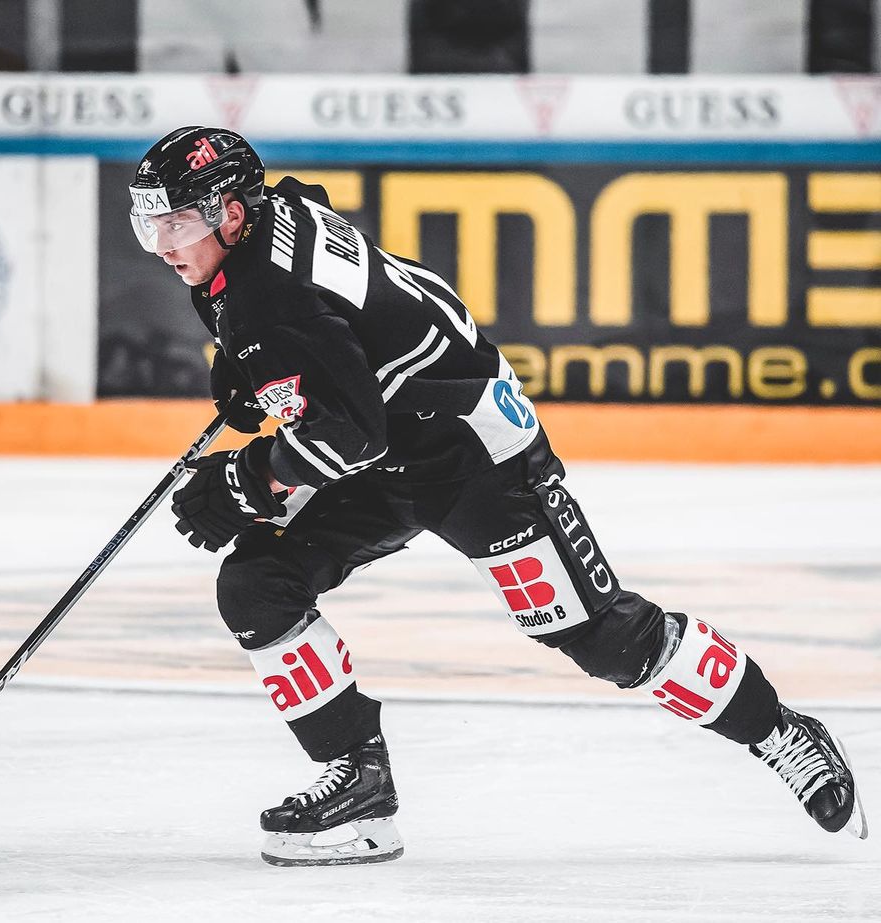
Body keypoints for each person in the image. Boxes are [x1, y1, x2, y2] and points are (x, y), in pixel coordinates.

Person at [128, 126, 868, 866]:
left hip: (473, 456)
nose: (163, 245)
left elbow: (349, 435)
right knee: (258, 582)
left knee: (604, 637)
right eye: (151, 223)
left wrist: (247, 477)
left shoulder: (270, 295)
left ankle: (780, 731)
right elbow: (319, 278)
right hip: (390, 443)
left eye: (178, 223)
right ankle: (360, 782)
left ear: (233, 213)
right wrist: (257, 371)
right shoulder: (266, 226)